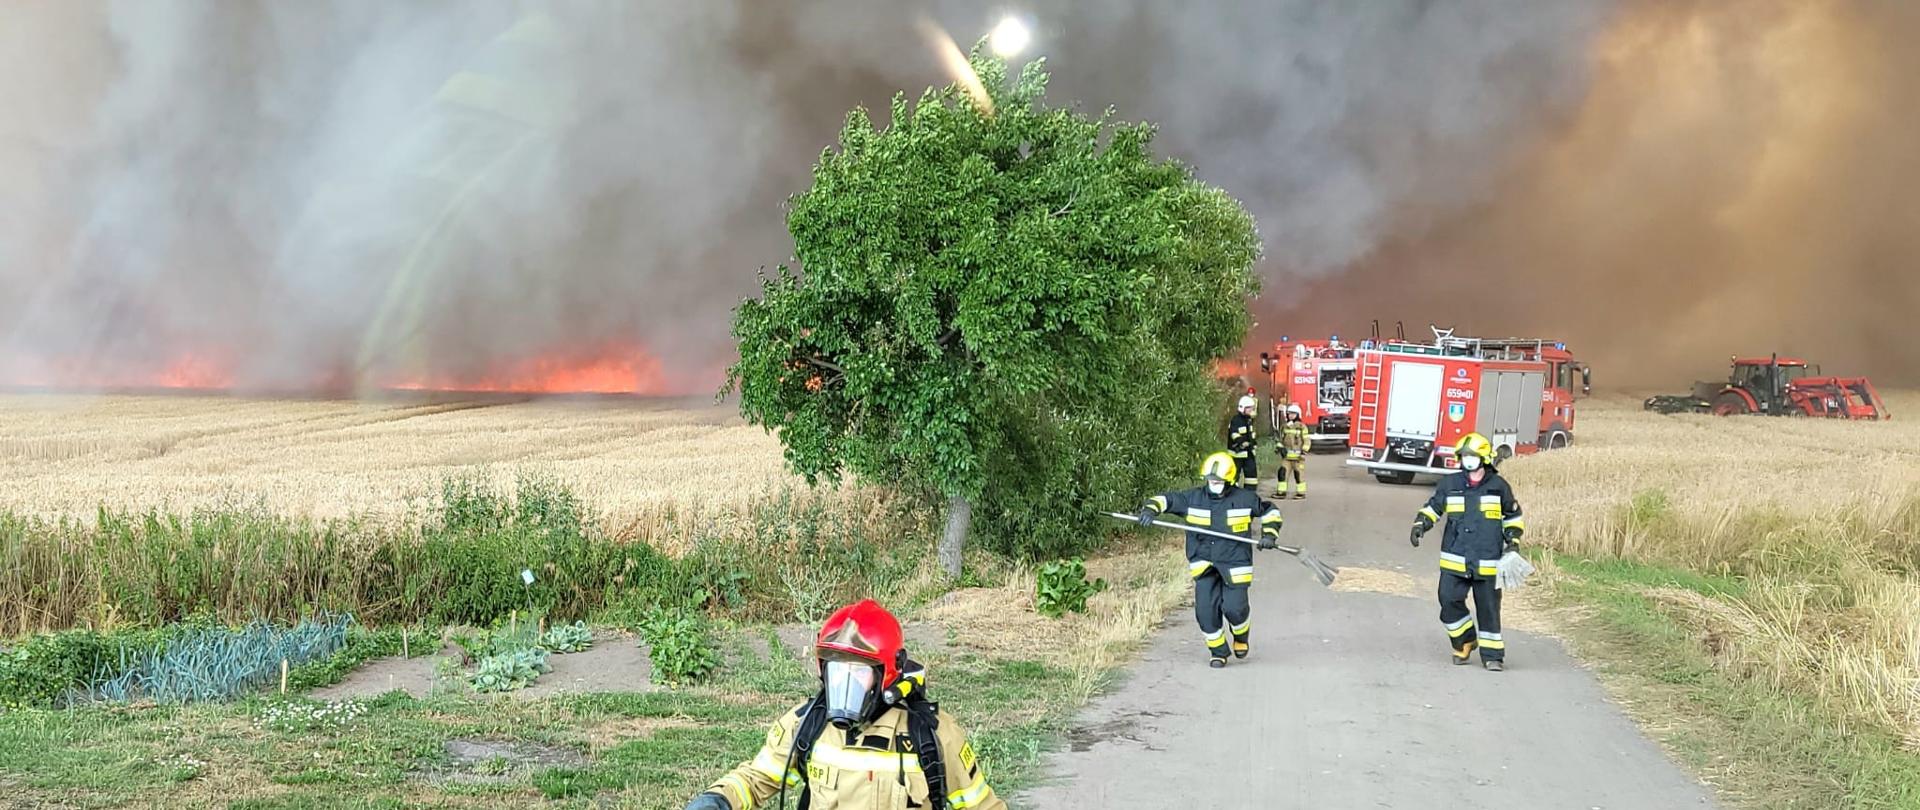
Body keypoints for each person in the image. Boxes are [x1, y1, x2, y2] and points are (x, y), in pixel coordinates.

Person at [685, 600, 1004, 810]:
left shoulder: (931, 736)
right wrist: (718, 799)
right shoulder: (805, 726)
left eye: (858, 672)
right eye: (837, 670)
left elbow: (982, 805)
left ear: (886, 673)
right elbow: (757, 778)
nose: (844, 684)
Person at [1137, 452, 1285, 668]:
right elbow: (1166, 499)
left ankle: (1241, 636)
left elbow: (1270, 511)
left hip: (1235, 563)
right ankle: (1218, 651)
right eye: (1210, 479)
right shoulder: (1193, 498)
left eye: (1218, 480)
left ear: (1230, 479)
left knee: (1235, 609)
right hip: (1204, 563)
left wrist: (1269, 535)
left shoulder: (1245, 499)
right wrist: (1150, 510)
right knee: (1205, 612)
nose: (1213, 483)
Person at [1409, 433, 1525, 671]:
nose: (1468, 461)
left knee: (1488, 609)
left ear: (1483, 459)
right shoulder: (1450, 484)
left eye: (1472, 457)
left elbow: (1512, 516)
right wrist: (1421, 524)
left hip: (1487, 561)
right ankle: (1465, 641)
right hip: (1456, 558)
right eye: (1464, 457)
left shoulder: (1499, 487)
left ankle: (1493, 656)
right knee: (1448, 600)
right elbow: (1434, 507)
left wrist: (1513, 540)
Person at [1227, 394, 1261, 493]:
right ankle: (1231, 494)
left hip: (1249, 453)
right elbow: (1234, 434)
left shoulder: (1249, 420)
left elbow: (1251, 435)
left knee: (1251, 476)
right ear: (1243, 408)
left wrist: (1253, 444)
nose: (1252, 410)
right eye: (1250, 408)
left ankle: (1249, 494)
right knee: (1234, 475)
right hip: (1237, 454)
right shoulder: (1236, 420)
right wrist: (1242, 442)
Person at [1277, 404, 1311, 499]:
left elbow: (1306, 440)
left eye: (1293, 414)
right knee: (1282, 473)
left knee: (1299, 475)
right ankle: (1281, 492)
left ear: (1298, 415)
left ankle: (1300, 493)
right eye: (1289, 414)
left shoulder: (1302, 427)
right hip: (1286, 457)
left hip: (1298, 458)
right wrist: (1279, 448)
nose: (1291, 416)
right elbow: (1281, 440)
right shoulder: (1285, 427)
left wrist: (1304, 451)